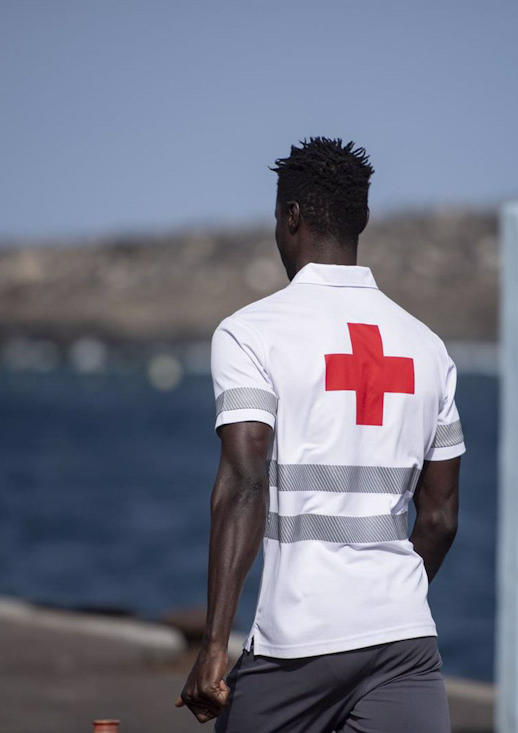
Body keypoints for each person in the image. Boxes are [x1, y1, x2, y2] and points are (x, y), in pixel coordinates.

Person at [175, 137, 465, 733]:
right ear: (361, 219)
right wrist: (389, 598)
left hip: (299, 644)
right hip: (405, 645)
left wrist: (211, 648)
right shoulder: (428, 347)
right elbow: (438, 520)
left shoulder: (251, 333)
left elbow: (243, 486)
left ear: (291, 218)